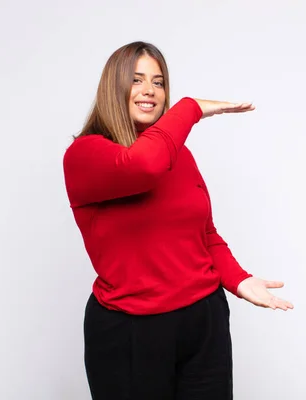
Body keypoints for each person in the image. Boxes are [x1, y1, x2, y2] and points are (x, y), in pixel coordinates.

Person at [62, 41, 293, 400]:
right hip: (131, 330)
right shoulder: (86, 154)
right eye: (137, 80)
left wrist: (239, 280)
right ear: (113, 88)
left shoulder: (178, 154)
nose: (149, 91)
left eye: (159, 81)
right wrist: (191, 108)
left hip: (204, 322)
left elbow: (205, 234)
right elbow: (144, 166)